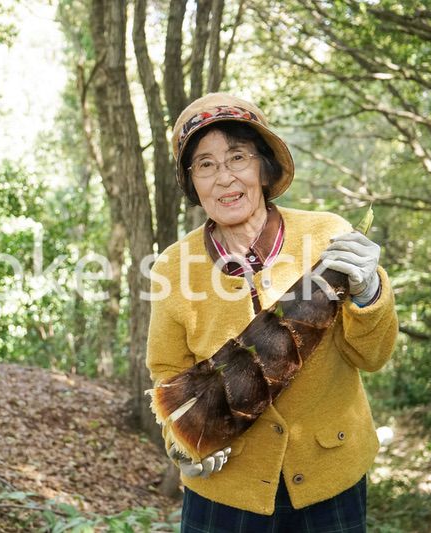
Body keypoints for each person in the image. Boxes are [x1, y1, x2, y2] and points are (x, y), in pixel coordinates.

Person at [146, 93, 398, 532]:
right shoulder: (172, 265)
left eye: (237, 157)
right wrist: (182, 443)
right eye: (205, 164)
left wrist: (369, 289)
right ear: (193, 182)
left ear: (263, 166)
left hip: (328, 477)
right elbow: (167, 370)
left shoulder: (327, 236)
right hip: (227, 489)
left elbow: (371, 357)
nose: (224, 177)